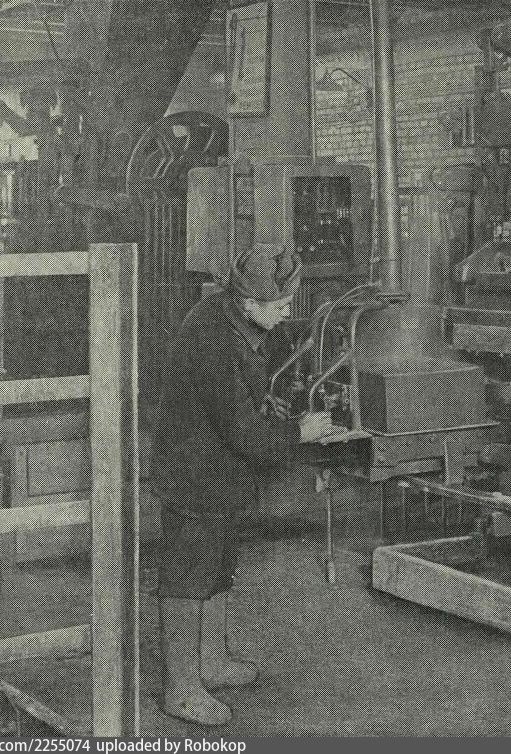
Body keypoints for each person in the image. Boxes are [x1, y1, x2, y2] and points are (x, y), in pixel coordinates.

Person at [151, 243, 336, 726]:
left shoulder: (235, 317)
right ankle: (181, 690)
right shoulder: (212, 336)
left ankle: (211, 661)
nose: (287, 312)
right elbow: (239, 427)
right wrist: (299, 433)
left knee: (218, 568)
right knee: (187, 579)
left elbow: (241, 397)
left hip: (219, 473)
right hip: (194, 475)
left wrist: (266, 404)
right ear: (250, 303)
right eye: (281, 305)